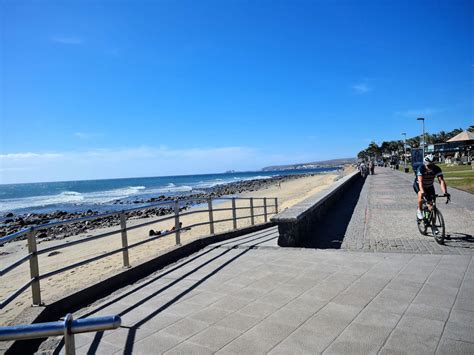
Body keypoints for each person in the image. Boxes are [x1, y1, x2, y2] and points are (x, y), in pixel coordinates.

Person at [413, 154, 450, 220]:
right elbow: (420, 182)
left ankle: (432, 224)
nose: (431, 167)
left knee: (431, 206)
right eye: (429, 166)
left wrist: (445, 192)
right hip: (419, 185)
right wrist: (422, 191)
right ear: (425, 164)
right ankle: (419, 210)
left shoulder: (437, 169)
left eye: (432, 165)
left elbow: (441, 181)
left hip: (429, 186)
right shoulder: (421, 168)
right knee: (420, 195)